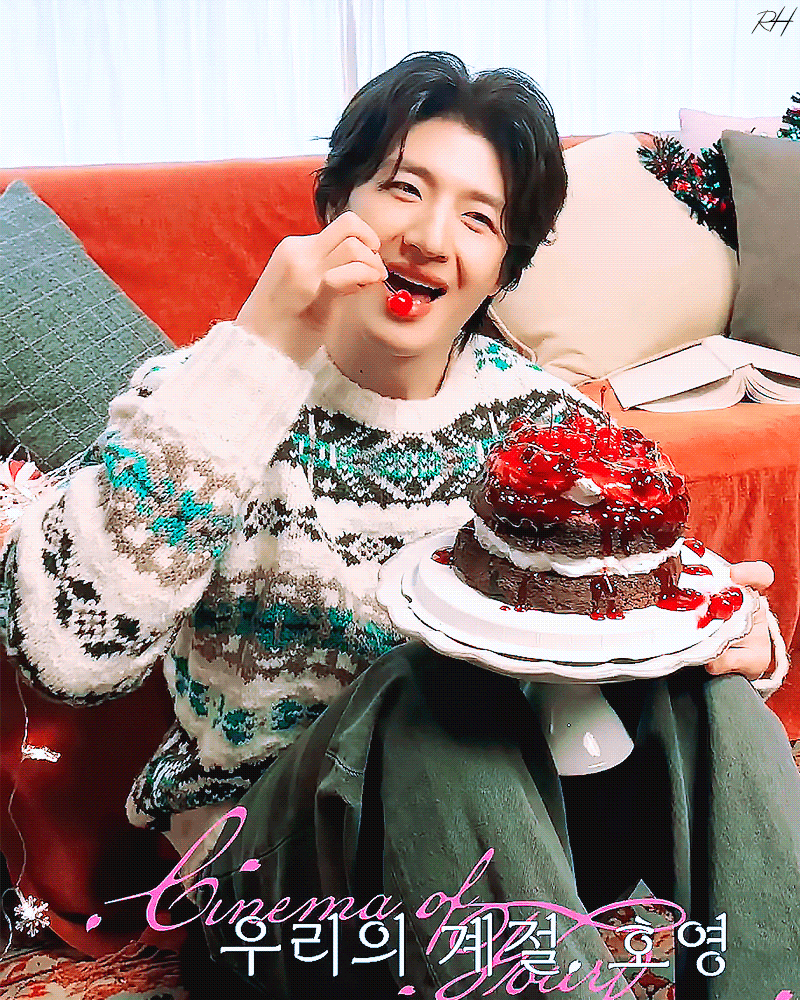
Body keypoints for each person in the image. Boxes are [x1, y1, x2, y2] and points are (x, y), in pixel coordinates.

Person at [1, 52, 796, 1000]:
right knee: (436, 692)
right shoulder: (212, 392)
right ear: (338, 200)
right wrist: (262, 343)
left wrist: (728, 637)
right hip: (275, 890)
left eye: (479, 218)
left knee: (717, 705)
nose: (427, 237)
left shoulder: (542, 426)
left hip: (499, 856)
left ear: (502, 266)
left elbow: (625, 606)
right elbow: (68, 656)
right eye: (403, 188)